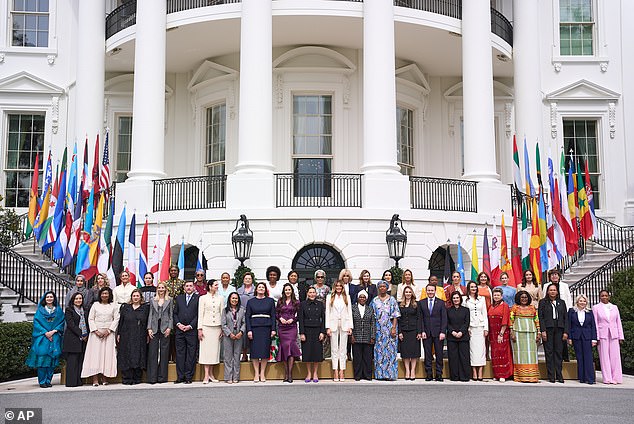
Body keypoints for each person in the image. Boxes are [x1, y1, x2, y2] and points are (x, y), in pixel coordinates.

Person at [81, 287, 120, 386]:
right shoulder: (95, 305)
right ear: (100, 295)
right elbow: (90, 319)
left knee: (107, 356)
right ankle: (95, 379)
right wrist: (95, 330)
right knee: (95, 356)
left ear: (109, 295)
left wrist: (109, 330)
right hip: (96, 334)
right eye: (103, 293)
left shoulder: (114, 305)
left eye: (106, 293)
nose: (104, 295)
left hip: (109, 334)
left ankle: (105, 378)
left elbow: (116, 319)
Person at [26, 291, 64, 388]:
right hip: (42, 337)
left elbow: (62, 322)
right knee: (42, 360)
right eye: (48, 297)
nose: (49, 298)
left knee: (52, 360)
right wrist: (45, 333)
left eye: (51, 297)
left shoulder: (58, 311)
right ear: (44, 299)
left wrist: (53, 331)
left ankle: (48, 380)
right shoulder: (40, 311)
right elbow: (36, 323)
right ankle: (42, 381)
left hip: (54, 336)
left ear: (54, 298)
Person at [117, 289, 149, 385]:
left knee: (138, 355)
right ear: (131, 297)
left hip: (140, 335)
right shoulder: (125, 307)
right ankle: (127, 378)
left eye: (137, 296)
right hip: (126, 335)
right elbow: (121, 321)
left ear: (141, 297)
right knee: (126, 354)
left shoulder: (145, 308)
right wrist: (119, 334)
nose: (135, 298)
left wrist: (147, 334)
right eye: (134, 296)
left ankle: (137, 378)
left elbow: (147, 322)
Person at [538, 283, 569, 383]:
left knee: (558, 352)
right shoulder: (543, 302)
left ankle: (559, 375)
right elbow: (541, 317)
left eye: (554, 290)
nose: (552, 292)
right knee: (549, 352)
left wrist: (565, 332)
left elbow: (565, 318)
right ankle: (551, 376)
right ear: (547, 291)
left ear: (557, 291)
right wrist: (543, 330)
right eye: (550, 290)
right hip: (548, 329)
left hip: (559, 329)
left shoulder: (562, 302)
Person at [246, 282, 276, 382]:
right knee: (255, 351)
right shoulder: (251, 301)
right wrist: (249, 330)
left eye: (263, 287)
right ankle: (256, 373)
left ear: (265, 290)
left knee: (264, 351)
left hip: (266, 328)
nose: (261, 289)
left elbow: (273, 316)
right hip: (254, 329)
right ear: (256, 289)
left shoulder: (270, 301)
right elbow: (247, 317)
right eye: (259, 287)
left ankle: (262, 373)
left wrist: (273, 329)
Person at [593, 289, 625, 384]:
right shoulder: (596, 307)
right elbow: (595, 322)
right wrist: (596, 337)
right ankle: (607, 378)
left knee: (615, 357)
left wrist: (620, 336)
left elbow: (618, 321)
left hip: (614, 334)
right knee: (604, 357)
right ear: (599, 297)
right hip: (603, 334)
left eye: (606, 295)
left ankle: (616, 378)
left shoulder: (614, 307)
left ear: (609, 296)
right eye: (602, 295)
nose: (604, 297)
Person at [371, 280, 400, 380]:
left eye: (384, 286)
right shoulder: (374, 301)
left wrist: (393, 328)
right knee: (379, 352)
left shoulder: (392, 300)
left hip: (389, 329)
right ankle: (380, 375)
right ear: (378, 288)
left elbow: (395, 315)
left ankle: (390, 375)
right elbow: (372, 316)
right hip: (378, 330)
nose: (382, 288)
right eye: (380, 286)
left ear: (387, 288)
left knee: (390, 352)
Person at [509, 290, 540, 383]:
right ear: (518, 298)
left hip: (531, 333)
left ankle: (532, 376)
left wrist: (538, 332)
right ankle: (520, 376)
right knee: (519, 354)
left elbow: (536, 320)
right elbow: (511, 320)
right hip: (518, 333)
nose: (524, 299)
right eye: (522, 297)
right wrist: (512, 332)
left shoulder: (532, 308)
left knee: (532, 354)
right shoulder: (515, 308)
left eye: (526, 297)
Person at [543, 269, 573, 362]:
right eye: (552, 275)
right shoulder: (546, 286)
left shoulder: (564, 286)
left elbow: (568, 299)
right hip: (551, 315)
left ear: (559, 276)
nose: (554, 276)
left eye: (556, 275)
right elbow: (544, 298)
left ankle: (564, 357)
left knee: (562, 338)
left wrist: (569, 312)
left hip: (562, 313)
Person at [326, 280, 353, 382]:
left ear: (342, 288)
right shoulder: (329, 297)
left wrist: (350, 326)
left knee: (343, 349)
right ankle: (335, 370)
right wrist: (327, 327)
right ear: (334, 287)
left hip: (344, 324)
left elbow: (349, 312)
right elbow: (327, 312)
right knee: (334, 349)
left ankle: (342, 370)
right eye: (337, 286)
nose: (338, 288)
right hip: (333, 324)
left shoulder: (347, 297)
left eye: (340, 286)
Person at [419, 283, 447, 381]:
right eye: (429, 290)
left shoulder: (441, 302)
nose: (430, 292)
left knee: (439, 354)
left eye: (432, 290)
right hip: (426, 332)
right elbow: (420, 319)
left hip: (438, 332)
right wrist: (422, 331)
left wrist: (443, 332)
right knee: (428, 354)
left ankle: (439, 374)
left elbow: (444, 318)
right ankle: (429, 374)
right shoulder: (421, 303)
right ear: (426, 291)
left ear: (435, 291)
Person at [173, 281, 199, 384]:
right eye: (187, 286)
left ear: (194, 287)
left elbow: (198, 314)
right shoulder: (179, 298)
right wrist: (178, 324)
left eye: (190, 286)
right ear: (184, 288)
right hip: (180, 331)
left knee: (190, 355)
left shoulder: (198, 298)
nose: (188, 288)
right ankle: (180, 377)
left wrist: (190, 326)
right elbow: (175, 313)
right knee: (180, 354)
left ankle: (188, 377)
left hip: (191, 330)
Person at [147, 282, 173, 384]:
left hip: (165, 328)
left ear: (165, 289)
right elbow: (150, 315)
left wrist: (169, 328)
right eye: (159, 288)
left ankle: (162, 377)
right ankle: (152, 378)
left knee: (164, 353)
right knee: (153, 353)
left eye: (163, 288)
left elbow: (171, 315)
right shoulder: (153, 300)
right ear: (157, 289)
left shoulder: (169, 300)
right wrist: (149, 328)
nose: (161, 289)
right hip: (154, 327)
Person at [568, 294, 597, 384]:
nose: (582, 303)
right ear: (577, 302)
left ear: (586, 302)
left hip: (587, 336)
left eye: (584, 301)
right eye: (580, 301)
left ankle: (590, 378)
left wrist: (594, 339)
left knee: (588, 357)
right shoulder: (571, 311)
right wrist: (569, 337)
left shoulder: (590, 312)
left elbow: (593, 326)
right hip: (576, 336)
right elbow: (569, 325)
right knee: (579, 357)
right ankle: (582, 377)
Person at [198, 279, 223, 383]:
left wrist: (222, 328)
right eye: (215, 285)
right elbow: (200, 313)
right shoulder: (203, 298)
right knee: (205, 351)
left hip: (216, 326)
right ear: (210, 286)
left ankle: (211, 374)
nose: (217, 286)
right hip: (206, 326)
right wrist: (199, 329)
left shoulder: (220, 298)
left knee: (214, 351)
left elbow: (222, 313)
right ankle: (206, 375)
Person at [299, 286, 326, 383]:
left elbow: (323, 319)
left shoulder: (320, 304)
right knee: (307, 353)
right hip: (306, 330)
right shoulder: (303, 304)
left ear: (316, 294)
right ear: (307, 294)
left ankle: (315, 373)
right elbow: (301, 319)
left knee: (316, 353)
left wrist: (322, 332)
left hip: (317, 330)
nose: (312, 294)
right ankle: (309, 373)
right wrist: (301, 333)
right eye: (310, 292)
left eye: (313, 292)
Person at [63, 292, 90, 387]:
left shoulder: (85, 310)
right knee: (72, 362)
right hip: (72, 338)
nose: (78, 300)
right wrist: (81, 334)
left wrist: (86, 335)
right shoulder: (69, 310)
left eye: (80, 298)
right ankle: (71, 382)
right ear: (73, 300)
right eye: (76, 299)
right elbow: (71, 325)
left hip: (83, 339)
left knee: (80, 361)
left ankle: (78, 381)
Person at [276, 283, 301, 382]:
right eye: (286, 290)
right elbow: (276, 313)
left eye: (289, 290)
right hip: (282, 328)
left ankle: (290, 374)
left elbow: (299, 315)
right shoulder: (280, 301)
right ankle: (285, 374)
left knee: (290, 346)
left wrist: (293, 320)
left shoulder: (296, 302)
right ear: (284, 291)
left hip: (291, 327)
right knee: (284, 349)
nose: (287, 291)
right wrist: (280, 318)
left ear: (292, 291)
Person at [463, 280, 488, 380]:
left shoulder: (481, 299)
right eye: (471, 287)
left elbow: (485, 314)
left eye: (475, 287)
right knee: (472, 350)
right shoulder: (465, 299)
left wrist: (486, 328)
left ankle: (480, 371)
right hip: (471, 327)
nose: (473, 289)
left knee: (481, 350)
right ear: (468, 289)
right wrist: (467, 328)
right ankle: (474, 371)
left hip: (480, 327)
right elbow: (464, 315)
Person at [488, 287, 513, 382]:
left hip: (501, 332)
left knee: (502, 352)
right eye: (495, 295)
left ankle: (504, 375)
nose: (496, 297)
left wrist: (501, 333)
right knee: (495, 353)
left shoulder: (505, 306)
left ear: (501, 296)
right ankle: (497, 374)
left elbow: (505, 320)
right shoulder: (491, 306)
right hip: (492, 333)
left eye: (498, 295)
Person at [351, 289, 375, 381]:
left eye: (364, 297)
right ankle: (358, 375)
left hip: (367, 336)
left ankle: (367, 375)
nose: (362, 299)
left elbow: (373, 323)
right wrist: (351, 335)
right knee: (357, 358)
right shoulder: (353, 308)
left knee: (367, 358)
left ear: (366, 299)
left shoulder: (370, 309)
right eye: (360, 297)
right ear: (357, 298)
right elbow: (350, 323)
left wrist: (372, 336)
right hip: (356, 336)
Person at [446, 291, 470, 382]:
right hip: (452, 337)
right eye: (454, 298)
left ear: (460, 299)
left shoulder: (466, 310)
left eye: (457, 298)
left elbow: (466, 322)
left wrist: (461, 332)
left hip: (463, 336)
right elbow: (447, 323)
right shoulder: (448, 310)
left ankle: (464, 376)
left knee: (464, 357)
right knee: (453, 357)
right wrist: (452, 332)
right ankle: (454, 376)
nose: (456, 300)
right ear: (452, 300)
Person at [222, 292, 246, 383]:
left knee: (237, 356)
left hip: (238, 335)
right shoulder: (225, 310)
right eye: (233, 298)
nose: (234, 300)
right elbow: (223, 324)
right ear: (229, 299)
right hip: (228, 335)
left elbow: (244, 322)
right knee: (228, 357)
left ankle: (236, 377)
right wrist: (229, 333)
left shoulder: (242, 310)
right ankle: (228, 377)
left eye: (236, 298)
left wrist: (241, 332)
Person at [398, 286, 421, 380]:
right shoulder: (400, 305)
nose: (408, 294)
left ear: (412, 293)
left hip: (414, 331)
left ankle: (413, 371)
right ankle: (407, 370)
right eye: (406, 292)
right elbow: (398, 319)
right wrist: (399, 332)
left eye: (409, 292)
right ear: (404, 294)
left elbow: (419, 318)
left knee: (414, 352)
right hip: (404, 331)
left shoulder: (416, 304)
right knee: (405, 352)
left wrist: (419, 332)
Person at [237, 272, 255, 361]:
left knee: (253, 335)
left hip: (253, 315)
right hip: (242, 315)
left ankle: (253, 354)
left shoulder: (255, 290)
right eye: (246, 278)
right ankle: (244, 354)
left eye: (249, 279)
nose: (247, 280)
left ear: (252, 280)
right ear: (243, 280)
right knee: (243, 335)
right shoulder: (239, 291)